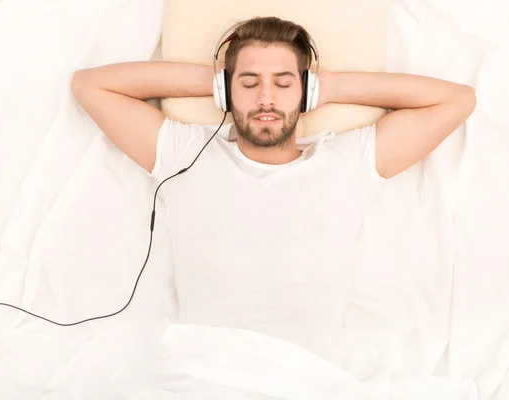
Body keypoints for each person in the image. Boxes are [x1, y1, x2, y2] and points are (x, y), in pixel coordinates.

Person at [70, 17, 475, 350]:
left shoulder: (348, 160)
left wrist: (330, 86)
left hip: (310, 379)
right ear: (227, 91)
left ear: (305, 90)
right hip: (200, 372)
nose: (266, 98)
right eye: (249, 84)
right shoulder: (184, 153)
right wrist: (214, 81)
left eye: (283, 84)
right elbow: (90, 85)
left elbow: (457, 100)